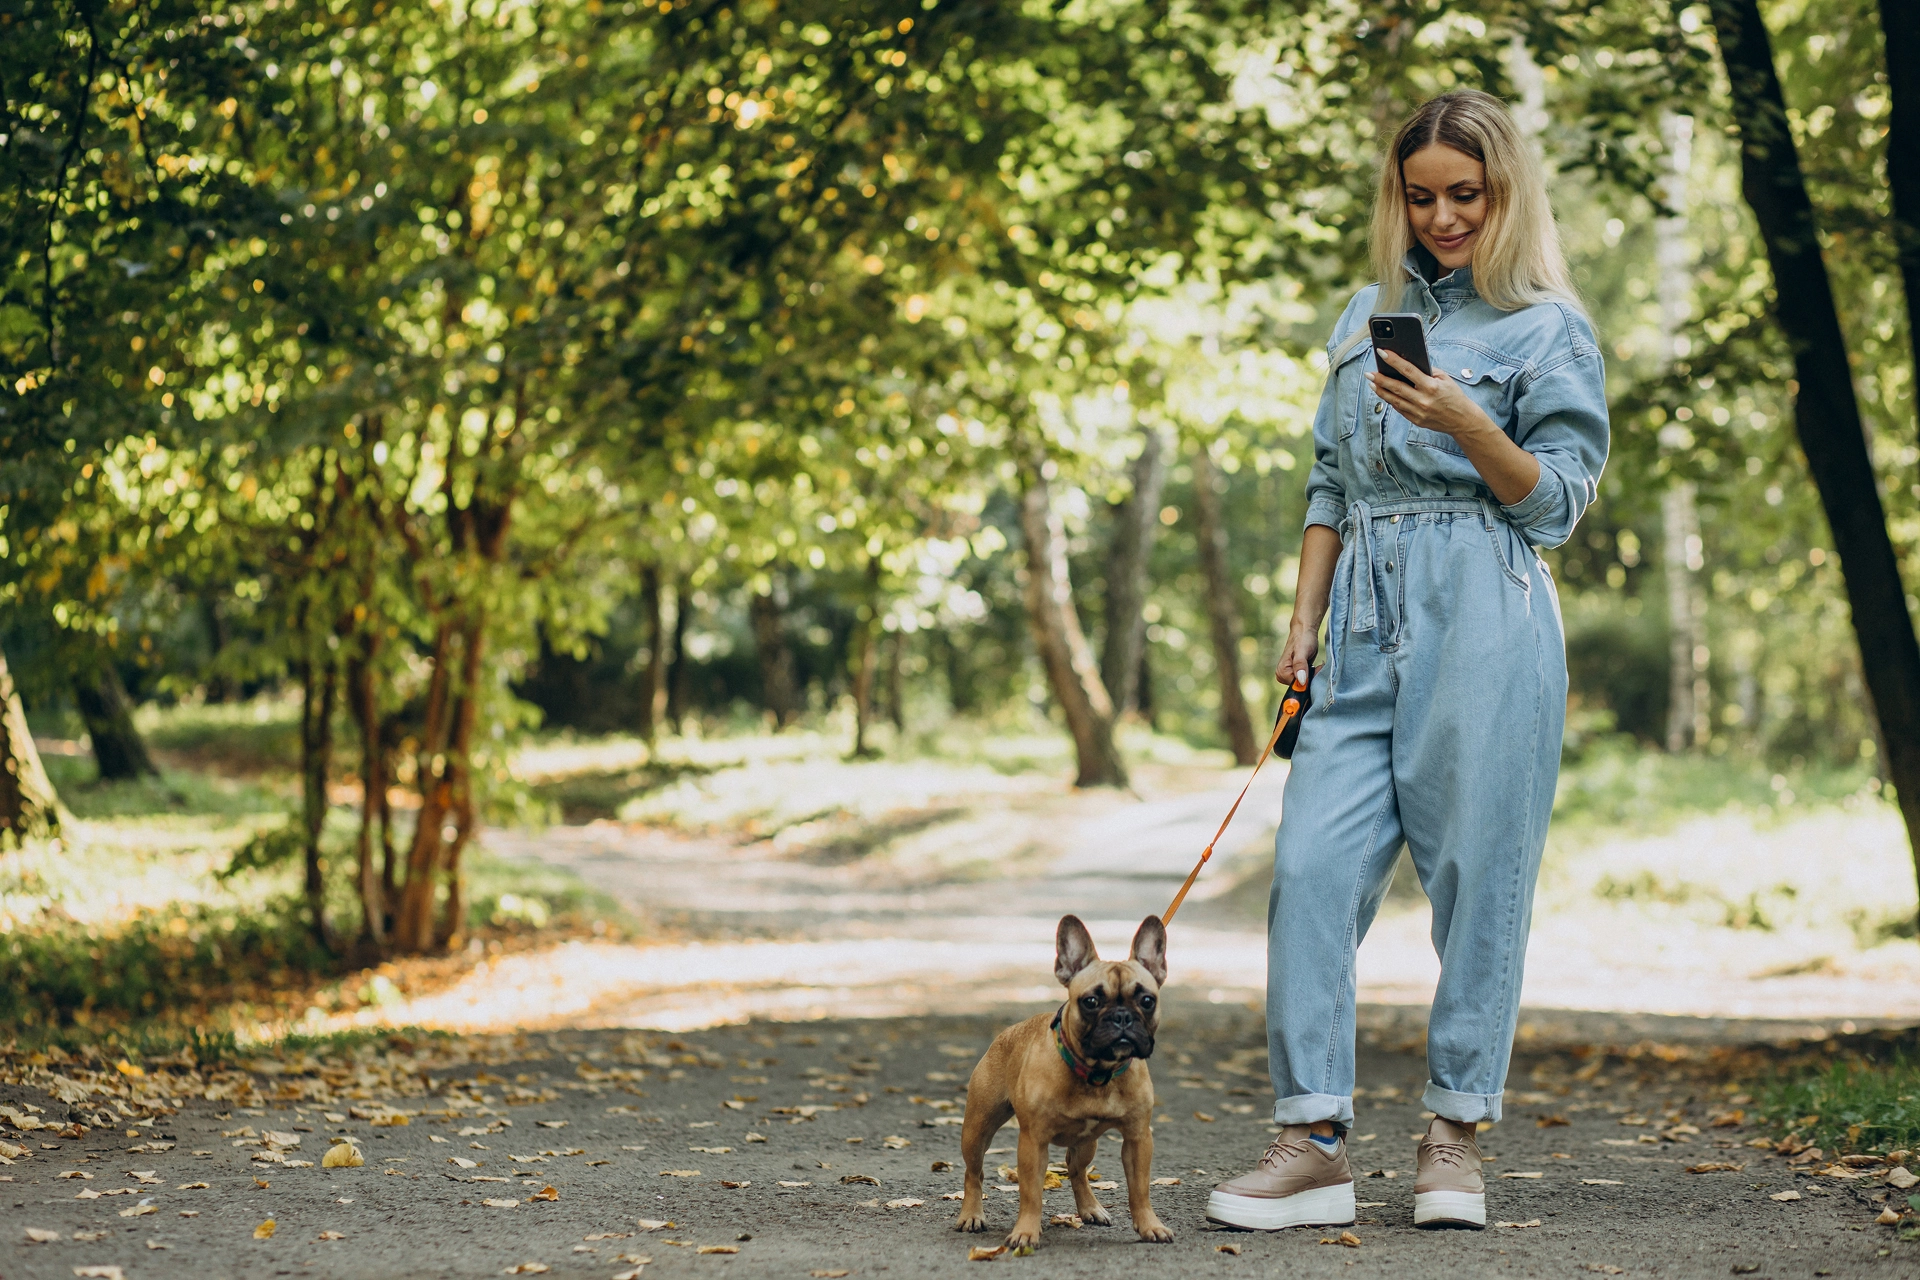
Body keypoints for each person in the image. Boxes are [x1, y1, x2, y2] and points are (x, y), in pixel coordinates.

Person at [1205, 89, 1609, 1232]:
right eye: (1420, 195)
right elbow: (1330, 481)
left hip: (1486, 605)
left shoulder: (1546, 328)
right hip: (1358, 618)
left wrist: (1464, 421)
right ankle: (1312, 1139)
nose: (1441, 217)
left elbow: (1561, 504)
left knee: (1479, 881)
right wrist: (1302, 616)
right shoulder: (1361, 311)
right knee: (1310, 874)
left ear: (1505, 193)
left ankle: (1454, 1136)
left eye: (1464, 196)